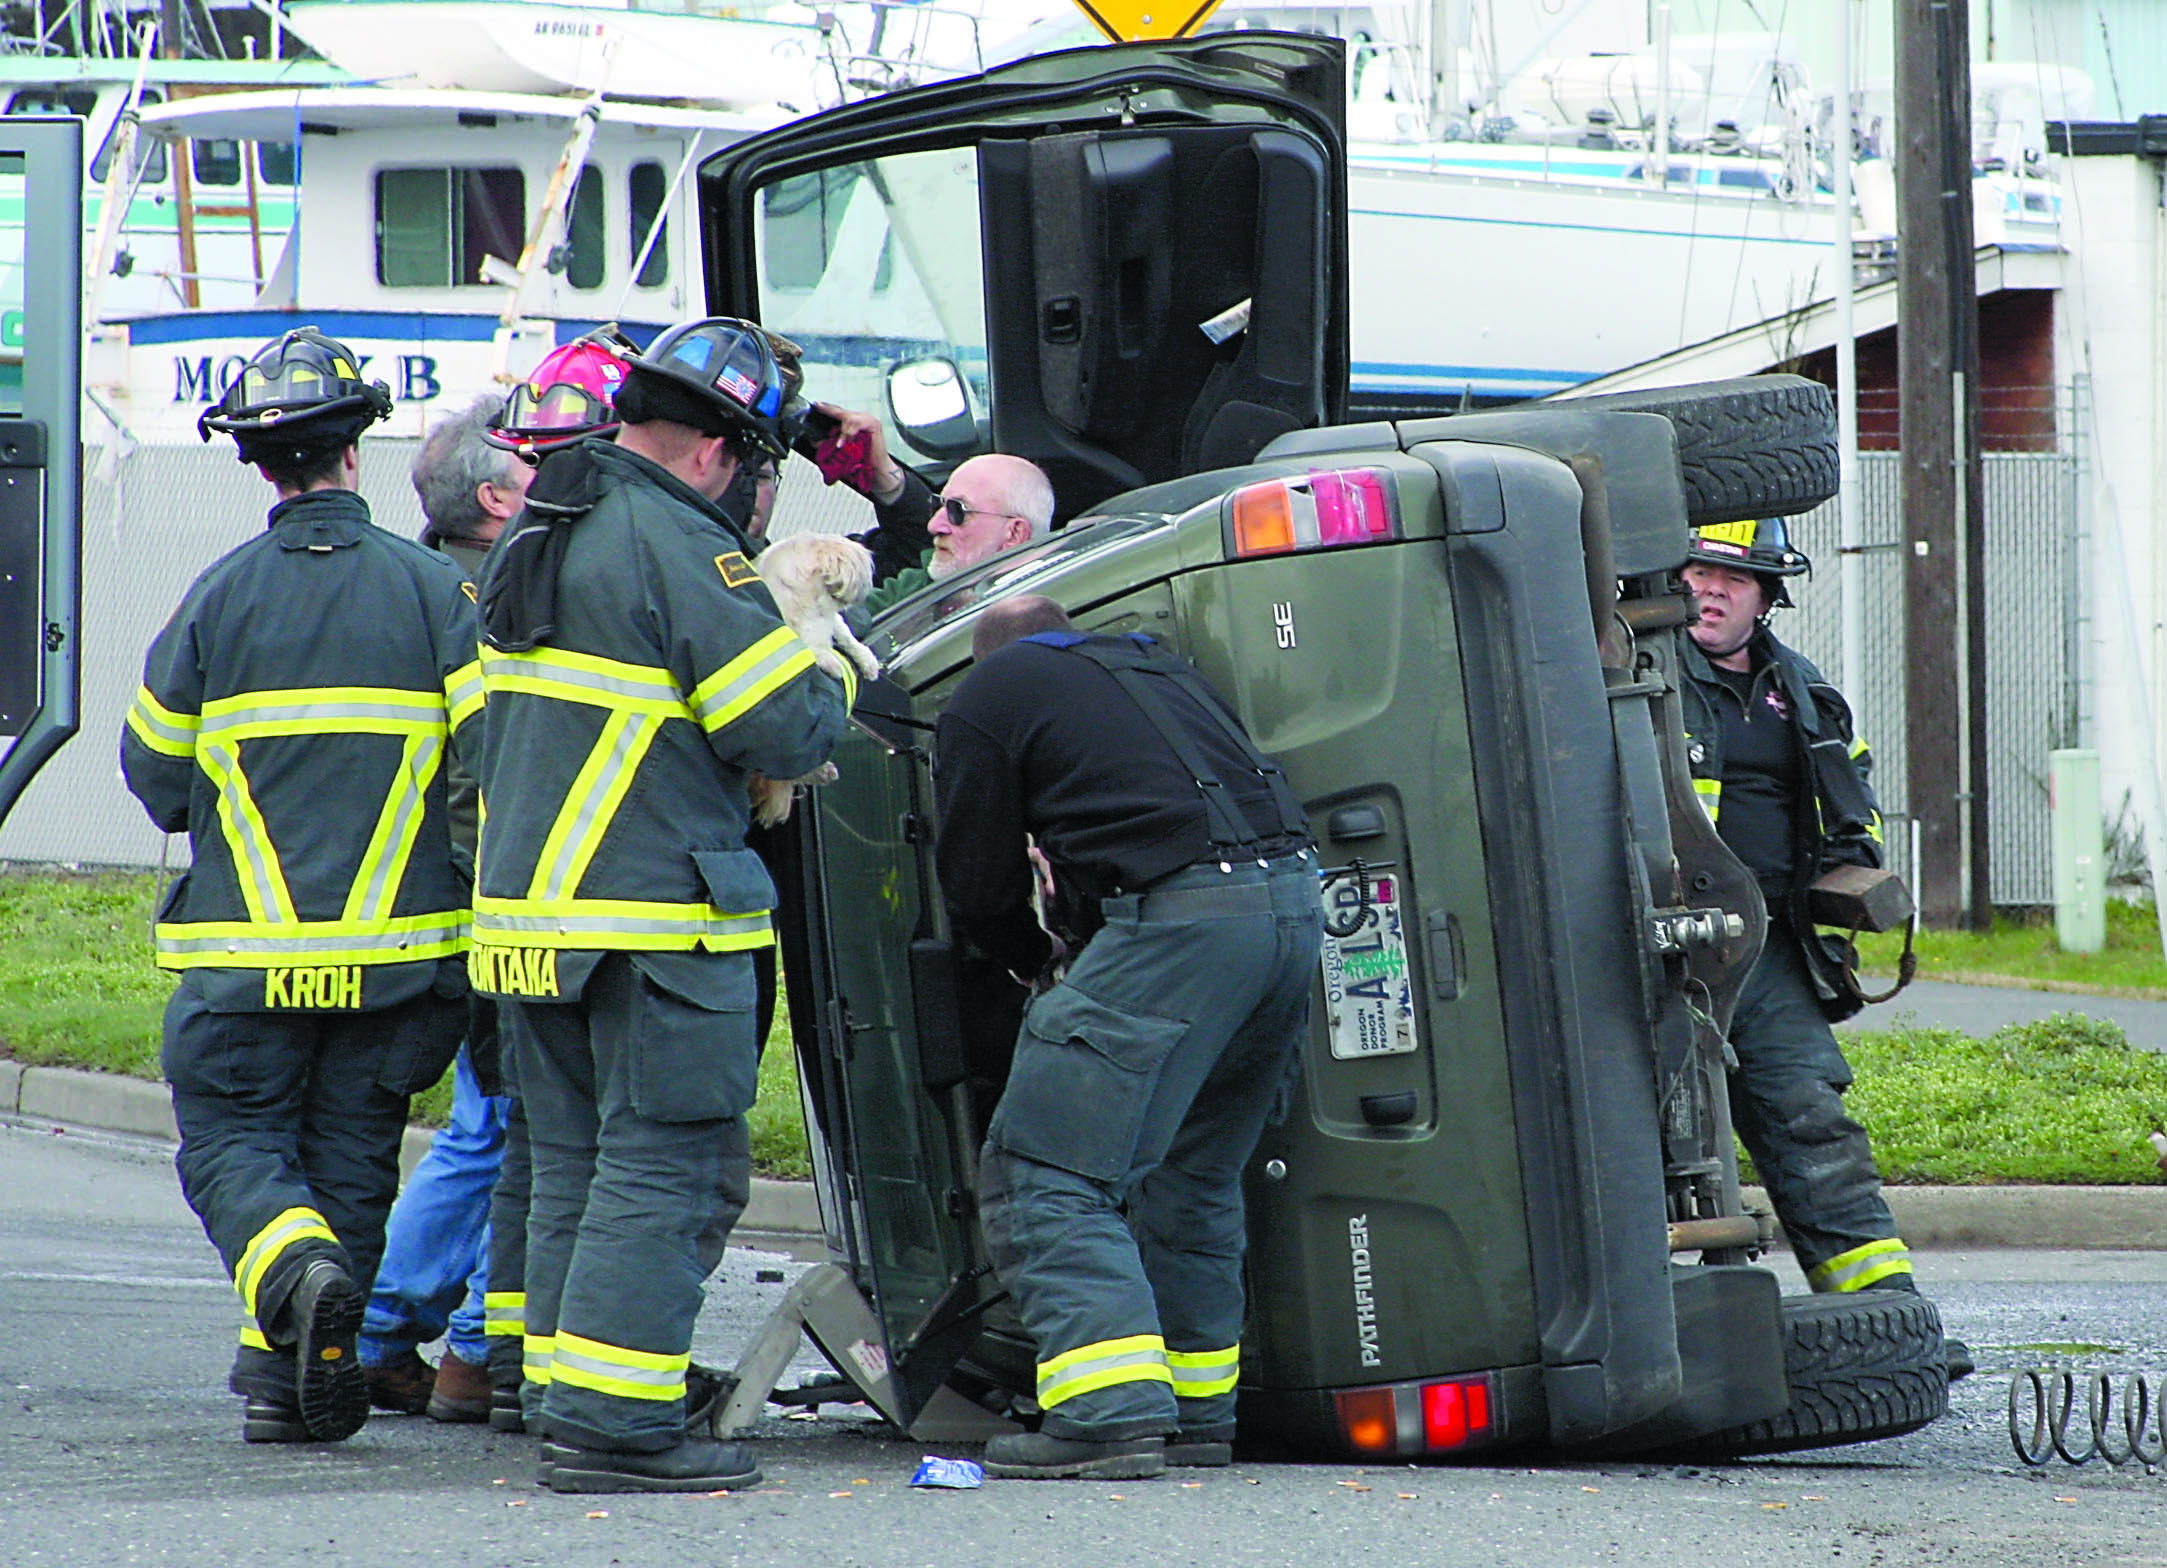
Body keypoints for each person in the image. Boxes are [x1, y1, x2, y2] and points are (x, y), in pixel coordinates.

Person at [469, 316, 852, 1493]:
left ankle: (564, 1383)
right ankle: (617, 1422)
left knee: (577, 1161)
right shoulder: (684, 543)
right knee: (669, 1166)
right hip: (651, 921)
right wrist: (820, 656)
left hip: (536, 921)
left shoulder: (550, 517)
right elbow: (783, 725)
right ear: (722, 451)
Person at [121, 327, 476, 1445]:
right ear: (354, 451)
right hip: (401, 964)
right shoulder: (437, 594)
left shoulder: (215, 600)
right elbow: (485, 770)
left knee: (234, 1146)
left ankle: (295, 1286)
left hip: (244, 965)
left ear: (259, 462)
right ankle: (284, 1379)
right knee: (352, 1159)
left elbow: (154, 775)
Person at [933, 595, 1322, 1480]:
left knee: (1049, 1172)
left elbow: (976, 879)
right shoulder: (1152, 666)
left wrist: (1032, 958)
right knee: (1193, 1171)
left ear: (980, 654)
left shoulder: (987, 692)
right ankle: (1193, 1413)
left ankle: (1105, 1415)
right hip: (1292, 911)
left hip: (1183, 925)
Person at [1680, 518, 1969, 1377]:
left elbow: (1855, 797)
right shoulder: (1632, 681)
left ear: (1768, 594)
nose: (1710, 589)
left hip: (1761, 951)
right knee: (1639, 1140)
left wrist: (1853, 865)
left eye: (1734, 579)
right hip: (1643, 955)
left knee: (1811, 1121)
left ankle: (1887, 1329)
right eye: (1695, 571)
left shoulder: (1798, 691)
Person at [356, 393, 532, 1423]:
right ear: (496, 497)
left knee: (487, 1119)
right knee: (497, 1122)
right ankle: (396, 1324)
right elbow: (480, 781)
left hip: (446, 899)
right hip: (486, 903)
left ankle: (395, 1327)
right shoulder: (481, 602)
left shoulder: (436, 583)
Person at [864, 452, 1056, 613]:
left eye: (957, 511)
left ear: (1014, 534)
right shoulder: (920, 584)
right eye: (937, 505)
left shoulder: (1035, 615)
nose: (933, 525)